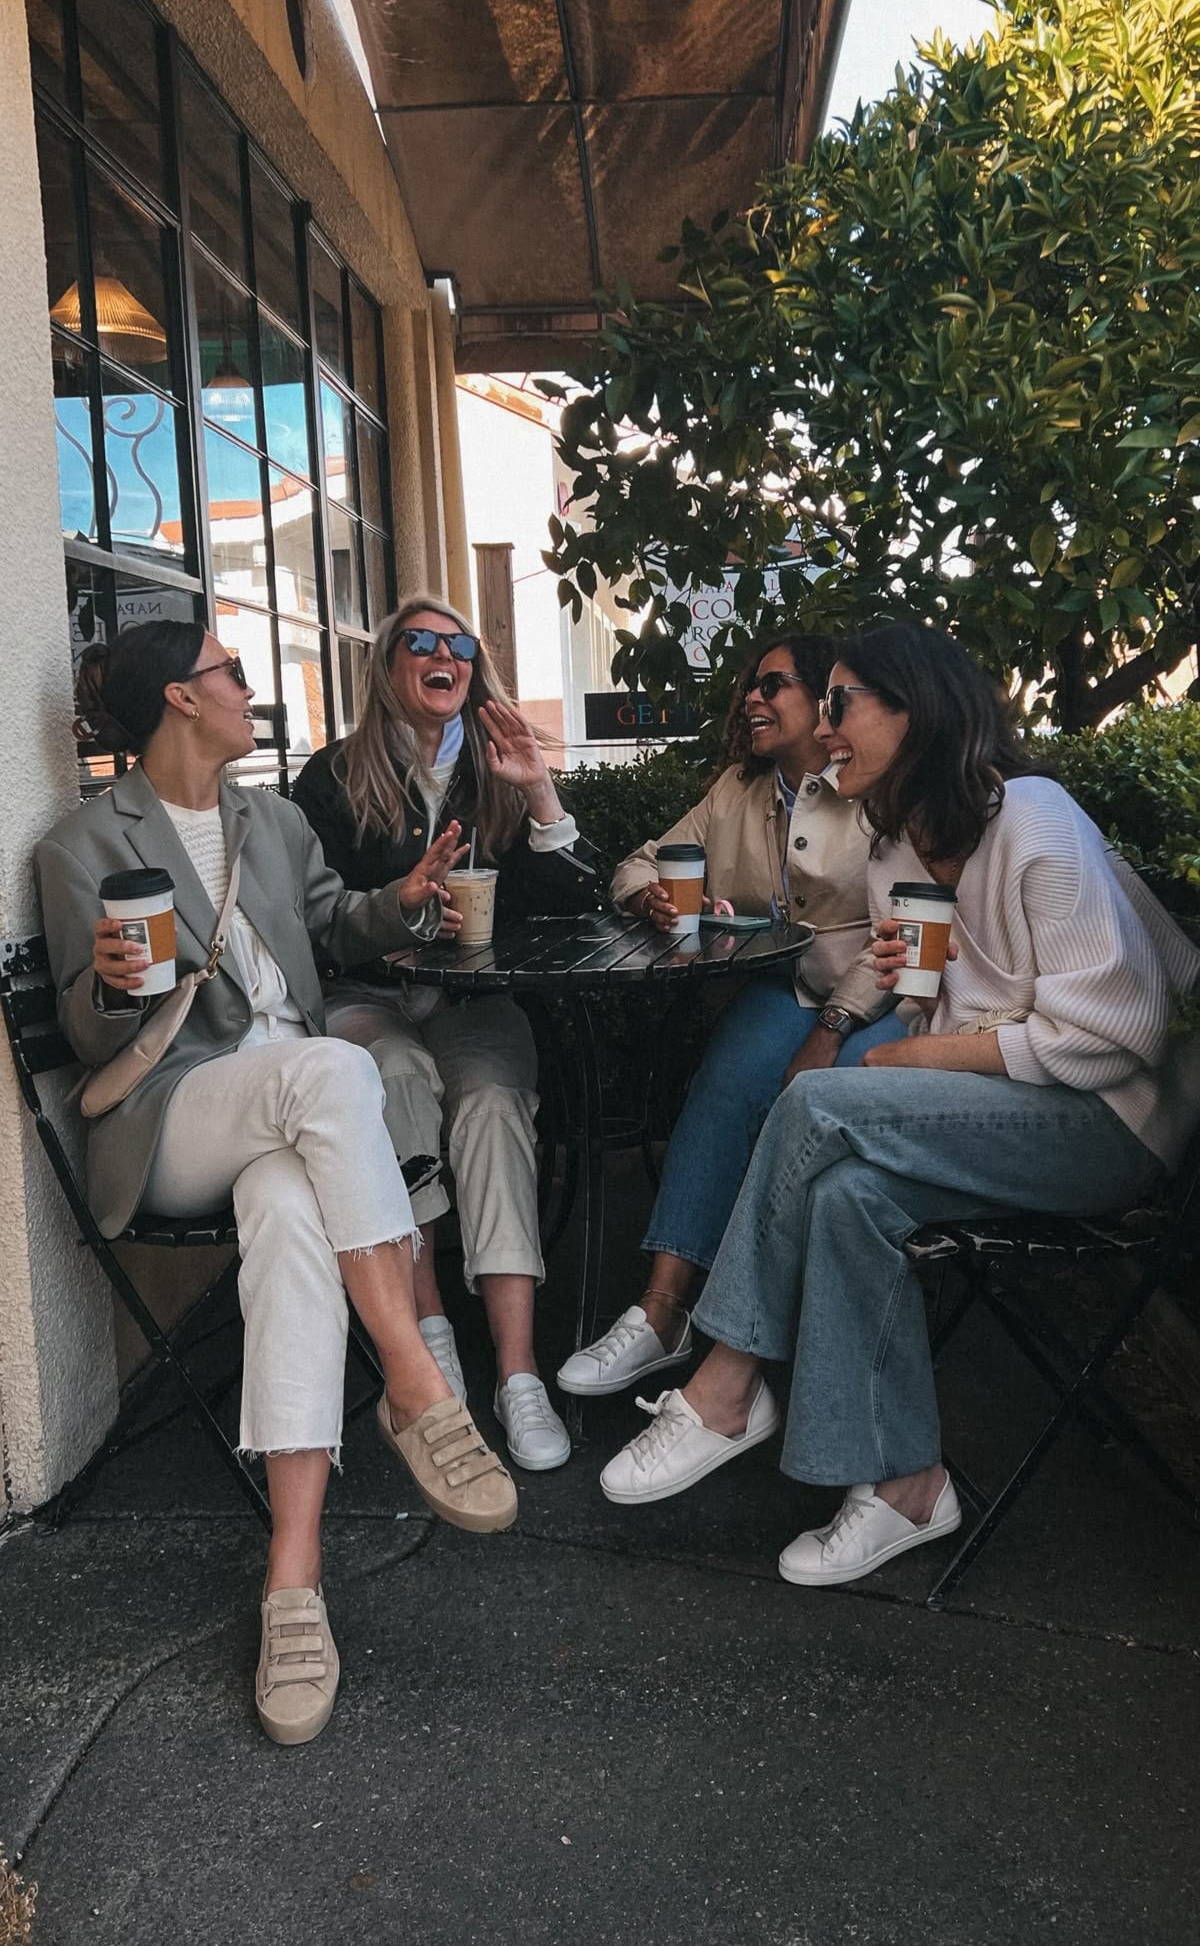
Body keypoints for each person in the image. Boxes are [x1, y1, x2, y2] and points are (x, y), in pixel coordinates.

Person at [598, 623, 1200, 1586]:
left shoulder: (1032, 816)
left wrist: (917, 1047)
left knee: (818, 1102)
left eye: (839, 703)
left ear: (912, 709)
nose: (824, 726)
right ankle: (908, 1483)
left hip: (1109, 1123)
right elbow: (969, 995)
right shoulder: (894, 849)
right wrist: (918, 989)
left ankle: (727, 1380)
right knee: (847, 1199)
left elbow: (1111, 1032)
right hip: (1013, 1109)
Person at [36, 621, 518, 1747]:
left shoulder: (275, 818)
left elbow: (331, 926)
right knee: (335, 1066)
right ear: (178, 699)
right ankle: (412, 1376)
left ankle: (291, 1580)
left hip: (299, 1116)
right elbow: (79, 1026)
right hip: (177, 1109)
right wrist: (108, 985)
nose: (250, 691)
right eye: (231, 674)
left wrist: (404, 895)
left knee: (296, 1214)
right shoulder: (78, 845)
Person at [292, 596, 601, 1474]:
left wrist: (539, 790)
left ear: (474, 665)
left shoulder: (495, 768)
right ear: (389, 666)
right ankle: (430, 1344)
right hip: (371, 994)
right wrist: (402, 900)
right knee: (391, 1079)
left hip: (474, 997)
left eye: (457, 643)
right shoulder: (333, 776)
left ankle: (518, 1370)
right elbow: (314, 924)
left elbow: (571, 902)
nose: (442, 654)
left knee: (497, 1099)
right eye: (418, 643)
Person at [557, 629, 907, 1401]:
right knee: (721, 1089)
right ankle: (663, 1313)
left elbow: (904, 939)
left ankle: (789, 1340)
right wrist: (648, 895)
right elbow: (640, 859)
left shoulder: (876, 786)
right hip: (783, 991)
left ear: (824, 701)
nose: (751, 696)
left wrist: (834, 1025)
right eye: (749, 684)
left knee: (815, 1108)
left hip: (878, 994)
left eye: (772, 683)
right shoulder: (736, 793)